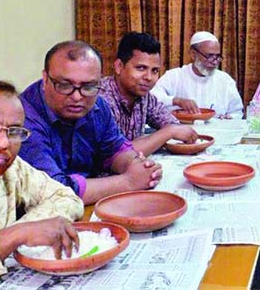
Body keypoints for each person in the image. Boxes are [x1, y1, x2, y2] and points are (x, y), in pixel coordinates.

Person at [0, 80, 83, 288]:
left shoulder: (11, 168)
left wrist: (23, 231)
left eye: (14, 130)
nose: (4, 142)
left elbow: (67, 198)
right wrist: (11, 238)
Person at [19, 41, 163, 205]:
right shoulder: (22, 119)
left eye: (88, 86)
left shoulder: (98, 105)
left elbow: (114, 149)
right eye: (64, 85)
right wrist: (128, 182)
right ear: (45, 79)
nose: (77, 97)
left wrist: (136, 165)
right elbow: (50, 190)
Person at [99, 32, 197, 155]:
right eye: (141, 68)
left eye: (155, 70)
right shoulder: (100, 100)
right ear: (119, 66)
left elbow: (172, 124)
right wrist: (168, 132)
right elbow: (117, 154)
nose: (149, 77)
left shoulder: (145, 97)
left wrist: (167, 131)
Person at [151, 31, 244, 118]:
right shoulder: (173, 76)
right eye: (209, 56)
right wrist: (176, 101)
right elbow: (152, 98)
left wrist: (230, 118)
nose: (214, 62)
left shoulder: (225, 80)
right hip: (180, 132)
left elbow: (237, 112)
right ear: (193, 54)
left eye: (217, 57)